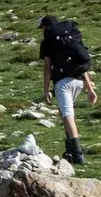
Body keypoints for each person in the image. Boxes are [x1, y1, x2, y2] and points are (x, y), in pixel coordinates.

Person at [38, 15, 95, 165]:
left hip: (62, 83)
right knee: (66, 114)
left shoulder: (48, 43)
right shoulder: (71, 38)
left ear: (45, 27)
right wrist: (89, 87)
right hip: (78, 81)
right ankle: (69, 150)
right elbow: (81, 64)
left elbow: (47, 68)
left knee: (67, 115)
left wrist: (46, 90)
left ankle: (77, 153)